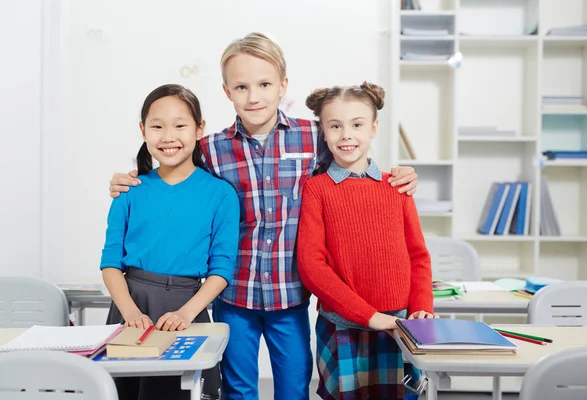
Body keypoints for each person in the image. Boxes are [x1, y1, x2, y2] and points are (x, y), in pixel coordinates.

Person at [108, 33, 419, 400]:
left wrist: (397, 175)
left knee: (293, 387)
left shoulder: (312, 137)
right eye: (241, 86)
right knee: (238, 389)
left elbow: (350, 156)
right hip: (234, 294)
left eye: (264, 84)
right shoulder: (212, 148)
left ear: (283, 86)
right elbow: (174, 164)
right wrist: (127, 180)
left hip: (290, 295)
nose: (253, 96)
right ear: (227, 92)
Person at [100, 84, 239, 400]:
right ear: (143, 130)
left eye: (180, 125)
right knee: (126, 392)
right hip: (130, 305)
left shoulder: (220, 195)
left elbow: (221, 268)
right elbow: (110, 263)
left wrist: (187, 314)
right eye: (157, 126)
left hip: (186, 309)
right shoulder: (129, 190)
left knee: (178, 391)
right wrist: (130, 312)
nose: (168, 136)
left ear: (199, 129)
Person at [297, 82, 435, 400]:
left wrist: (422, 308)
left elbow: (418, 256)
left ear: (373, 128)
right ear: (324, 131)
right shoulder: (316, 189)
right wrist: (369, 316)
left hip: (400, 323)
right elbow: (311, 264)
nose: (346, 135)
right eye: (335, 126)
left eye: (357, 124)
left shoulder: (396, 186)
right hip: (342, 325)